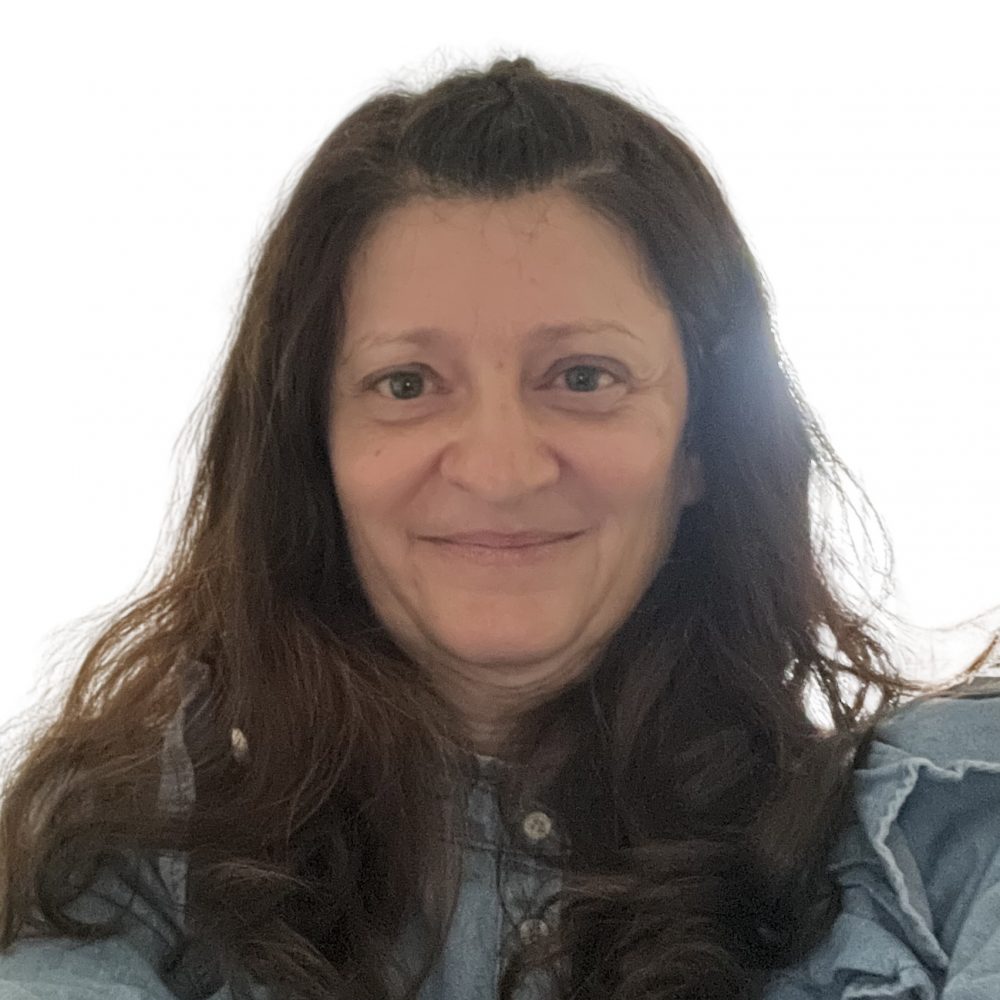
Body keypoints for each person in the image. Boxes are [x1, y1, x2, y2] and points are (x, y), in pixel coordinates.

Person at [1, 53, 998, 1000]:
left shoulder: (944, 839)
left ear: (700, 442)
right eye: (406, 383)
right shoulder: (107, 864)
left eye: (583, 377)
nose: (501, 469)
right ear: (314, 449)